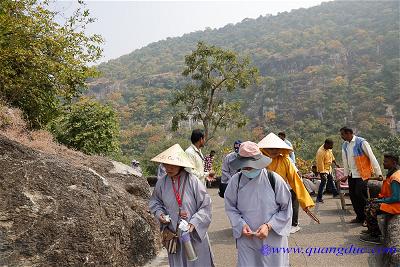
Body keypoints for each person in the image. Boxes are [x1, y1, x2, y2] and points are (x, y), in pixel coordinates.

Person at [224, 141, 292, 267]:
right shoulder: (235, 181)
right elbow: (230, 207)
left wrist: (269, 225)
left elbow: (286, 209)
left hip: (272, 238)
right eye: (245, 166)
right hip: (246, 238)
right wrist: (241, 224)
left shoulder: (275, 180)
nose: (248, 169)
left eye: (251, 165)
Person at [149, 144, 215, 267]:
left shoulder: (193, 181)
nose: (169, 168)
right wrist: (160, 214)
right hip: (174, 234)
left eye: (173, 164)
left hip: (193, 234)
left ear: (181, 165)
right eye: (166, 164)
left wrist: (194, 222)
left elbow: (206, 206)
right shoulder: (162, 183)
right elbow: (155, 202)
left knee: (198, 262)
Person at [258, 133, 315, 234]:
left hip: (281, 192)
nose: (274, 151)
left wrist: (305, 203)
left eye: (277, 148)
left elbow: (295, 180)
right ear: (264, 148)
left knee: (282, 216)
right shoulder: (259, 160)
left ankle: (289, 227)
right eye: (271, 148)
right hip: (263, 194)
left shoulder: (285, 160)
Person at [340, 127, 383, 224]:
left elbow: (372, 157)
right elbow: (345, 161)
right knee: (353, 196)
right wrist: (346, 174)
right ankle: (359, 217)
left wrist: (378, 173)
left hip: (362, 174)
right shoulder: (345, 145)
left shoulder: (361, 142)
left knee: (360, 194)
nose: (341, 136)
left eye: (343, 134)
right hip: (352, 174)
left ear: (349, 133)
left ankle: (368, 218)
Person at [360, 153, 400, 244]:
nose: (383, 163)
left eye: (386, 161)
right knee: (369, 202)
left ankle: (375, 236)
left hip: (396, 205)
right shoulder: (394, 172)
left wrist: (380, 200)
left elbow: (396, 198)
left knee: (371, 208)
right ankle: (371, 229)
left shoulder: (395, 177)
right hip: (393, 202)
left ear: (393, 163)